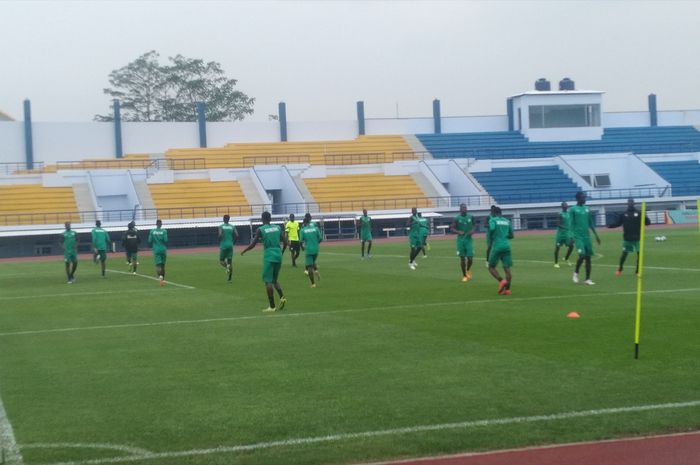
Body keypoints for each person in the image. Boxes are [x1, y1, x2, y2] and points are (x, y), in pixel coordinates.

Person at [241, 211, 288, 313]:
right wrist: (282, 252)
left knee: (268, 281)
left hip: (269, 256)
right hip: (278, 255)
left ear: (262, 219)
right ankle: (282, 297)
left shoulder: (261, 230)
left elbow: (253, 244)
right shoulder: (278, 228)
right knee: (275, 280)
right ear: (270, 218)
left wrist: (244, 250)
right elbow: (285, 242)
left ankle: (272, 306)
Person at [608, 198, 651, 276]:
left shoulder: (639, 213)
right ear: (627, 204)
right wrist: (610, 226)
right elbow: (618, 223)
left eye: (631, 203)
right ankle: (620, 269)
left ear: (634, 203)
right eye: (629, 203)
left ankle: (637, 271)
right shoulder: (624, 214)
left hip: (637, 238)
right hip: (627, 239)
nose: (630, 204)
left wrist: (646, 216)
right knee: (624, 255)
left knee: (639, 255)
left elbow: (647, 223)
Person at [569, 191, 601, 285]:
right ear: (578, 198)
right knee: (582, 255)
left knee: (588, 258)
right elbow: (571, 224)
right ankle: (576, 273)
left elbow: (591, 223)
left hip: (587, 237)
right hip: (578, 236)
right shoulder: (573, 209)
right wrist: (571, 237)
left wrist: (596, 236)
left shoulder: (587, 209)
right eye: (583, 197)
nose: (585, 199)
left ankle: (587, 279)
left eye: (585, 197)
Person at [487, 207, 514, 295]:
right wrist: (504, 237)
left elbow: (491, 229)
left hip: (497, 246)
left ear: (494, 212)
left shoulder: (493, 220)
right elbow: (511, 235)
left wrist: (492, 236)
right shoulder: (507, 221)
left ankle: (501, 281)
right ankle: (507, 290)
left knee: (491, 267)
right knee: (507, 269)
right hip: (506, 246)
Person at [451, 203, 475, 282]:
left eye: (466, 208)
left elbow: (474, 226)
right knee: (462, 259)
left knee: (470, 258)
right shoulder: (457, 218)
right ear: (460, 209)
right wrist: (458, 232)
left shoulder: (471, 217)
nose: (465, 209)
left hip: (469, 240)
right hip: (460, 240)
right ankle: (464, 276)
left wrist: (472, 231)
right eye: (463, 208)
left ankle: (468, 270)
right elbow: (452, 229)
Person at [300, 213, 323, 287]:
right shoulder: (315, 228)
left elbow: (301, 241)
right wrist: (316, 244)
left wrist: (302, 247)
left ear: (304, 223)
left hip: (309, 250)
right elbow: (320, 239)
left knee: (309, 267)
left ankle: (313, 284)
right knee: (313, 262)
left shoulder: (303, 230)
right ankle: (316, 271)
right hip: (316, 249)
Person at [148, 219, 168, 286]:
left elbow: (149, 241)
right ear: (161, 224)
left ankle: (160, 277)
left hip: (156, 249)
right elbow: (166, 240)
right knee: (163, 265)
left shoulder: (152, 231)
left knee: (158, 265)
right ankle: (163, 278)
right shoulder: (164, 231)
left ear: (156, 224)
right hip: (163, 249)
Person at [554, 202, 575, 268]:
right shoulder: (560, 214)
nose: (566, 206)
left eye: (566, 205)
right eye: (564, 206)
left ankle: (566, 258)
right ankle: (556, 263)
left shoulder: (569, 214)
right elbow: (557, 224)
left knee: (571, 246)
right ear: (562, 207)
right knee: (557, 248)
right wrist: (565, 227)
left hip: (567, 234)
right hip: (560, 235)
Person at [218, 214, 238, 283]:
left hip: (223, 246)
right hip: (230, 245)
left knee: (221, 261)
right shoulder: (232, 226)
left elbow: (220, 235)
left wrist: (219, 239)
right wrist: (233, 243)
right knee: (230, 262)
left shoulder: (221, 226)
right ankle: (230, 279)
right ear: (229, 219)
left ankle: (227, 267)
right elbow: (237, 235)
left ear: (223, 219)